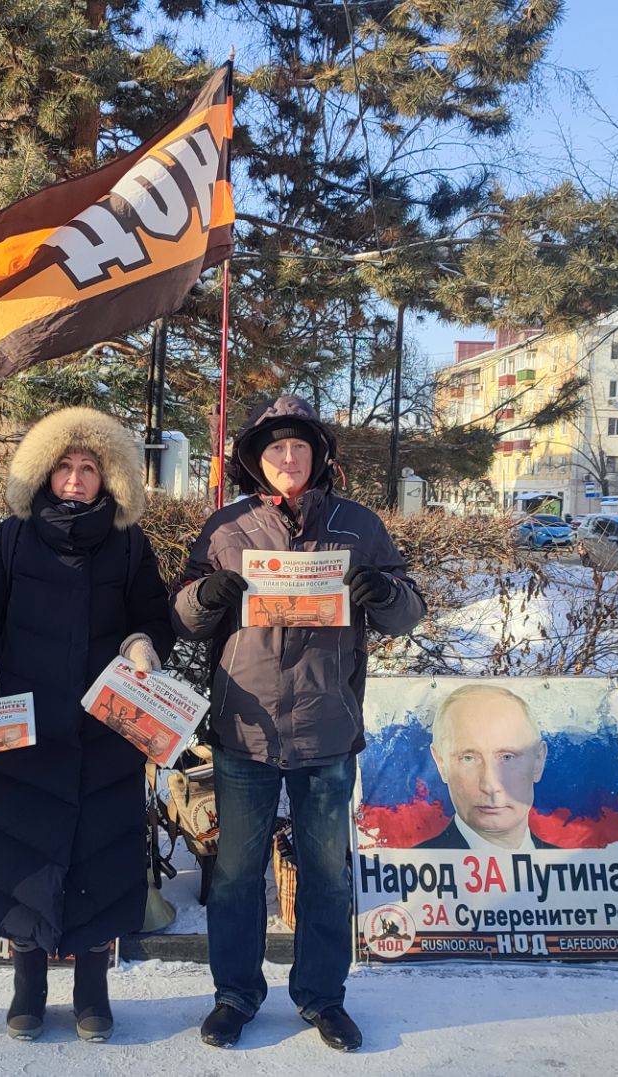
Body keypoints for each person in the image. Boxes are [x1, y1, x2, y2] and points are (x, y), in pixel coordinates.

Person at [172, 394, 425, 1053]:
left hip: (326, 729)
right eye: (275, 448)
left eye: (300, 447)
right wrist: (206, 595)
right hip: (245, 727)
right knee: (235, 875)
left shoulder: (357, 525)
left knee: (326, 874)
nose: (288, 457)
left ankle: (322, 995)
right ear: (255, 460)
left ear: (319, 456)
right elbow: (182, 616)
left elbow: (408, 610)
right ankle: (234, 994)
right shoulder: (227, 527)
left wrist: (384, 593)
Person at [0, 407, 173, 1044]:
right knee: (24, 856)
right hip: (23, 732)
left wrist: (142, 645)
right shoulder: (11, 538)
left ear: (110, 478)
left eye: (88, 468)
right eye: (64, 467)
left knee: (99, 859)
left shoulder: (129, 544)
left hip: (105, 733)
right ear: (43, 474)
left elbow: (153, 616)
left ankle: (92, 989)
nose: (75, 479)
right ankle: (28, 985)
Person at [416, 684, 560, 851]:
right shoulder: (411, 865)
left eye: (507, 757)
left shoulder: (572, 861)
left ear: (538, 760)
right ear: (441, 763)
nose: (490, 786)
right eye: (468, 758)